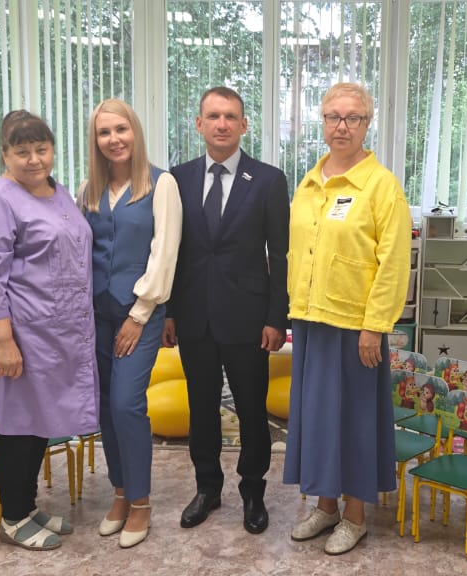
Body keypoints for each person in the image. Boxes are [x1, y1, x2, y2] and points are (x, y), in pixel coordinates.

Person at [283, 82, 411, 555]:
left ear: (367, 123)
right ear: (322, 122)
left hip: (356, 327)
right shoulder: (309, 182)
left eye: (352, 117)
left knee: (354, 420)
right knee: (319, 419)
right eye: (333, 117)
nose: (342, 126)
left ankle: (355, 516)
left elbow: (394, 263)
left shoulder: (381, 186)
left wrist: (375, 325)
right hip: (312, 320)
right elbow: (299, 251)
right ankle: (325, 505)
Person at [0, 110, 97, 551]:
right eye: (22, 152)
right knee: (17, 425)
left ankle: (28, 504)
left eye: (42, 149)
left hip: (58, 334)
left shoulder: (60, 193)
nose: (34, 160)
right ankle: (14, 516)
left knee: (40, 421)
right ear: (5, 154)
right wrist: (3, 342)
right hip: (21, 333)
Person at [164, 87, 290, 535]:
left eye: (231, 116)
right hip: (194, 317)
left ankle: (253, 492)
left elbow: (281, 255)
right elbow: (170, 252)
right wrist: (169, 311)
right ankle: (207, 488)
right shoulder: (176, 179)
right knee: (201, 408)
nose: (222, 124)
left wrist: (277, 318)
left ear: (243, 125)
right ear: (199, 123)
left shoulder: (269, 180)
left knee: (252, 409)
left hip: (249, 319)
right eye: (213, 116)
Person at [80, 99, 182, 549]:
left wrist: (139, 315)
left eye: (121, 129)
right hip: (97, 314)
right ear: (95, 140)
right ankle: (120, 493)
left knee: (126, 404)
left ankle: (141, 501)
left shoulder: (162, 184)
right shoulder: (88, 189)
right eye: (104, 132)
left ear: (135, 132)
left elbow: (165, 254)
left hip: (139, 313)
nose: (114, 139)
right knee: (105, 406)